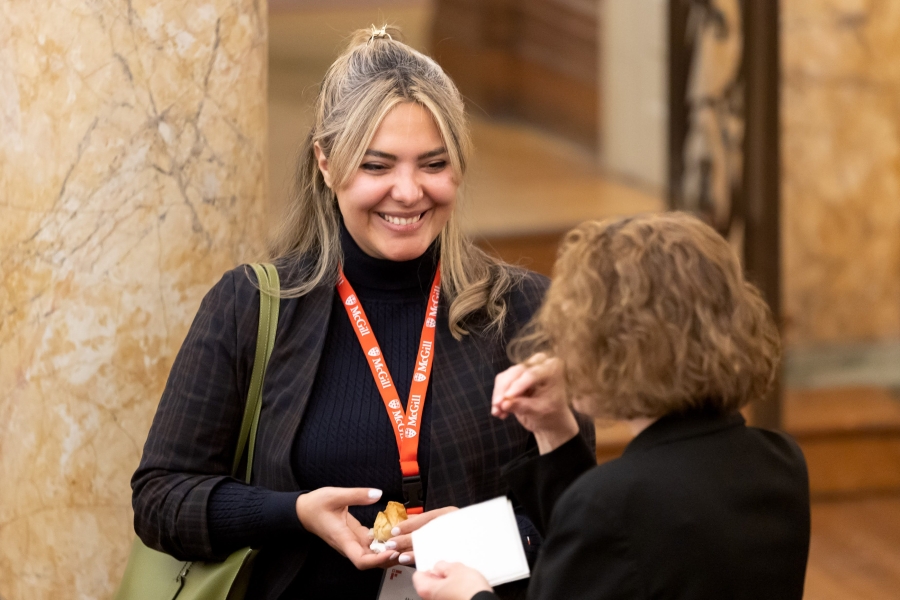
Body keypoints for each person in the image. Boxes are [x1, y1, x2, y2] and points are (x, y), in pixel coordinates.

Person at [131, 25, 593, 600]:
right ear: (326, 163)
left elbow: (580, 524)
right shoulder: (253, 305)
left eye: (433, 164)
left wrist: (465, 541)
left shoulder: (523, 310)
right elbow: (159, 499)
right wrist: (293, 512)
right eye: (377, 166)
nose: (407, 191)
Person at [413, 212, 811, 600]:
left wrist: (470, 594)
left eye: (575, 327)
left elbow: (610, 524)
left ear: (622, 347)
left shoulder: (612, 504)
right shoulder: (781, 461)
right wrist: (554, 429)